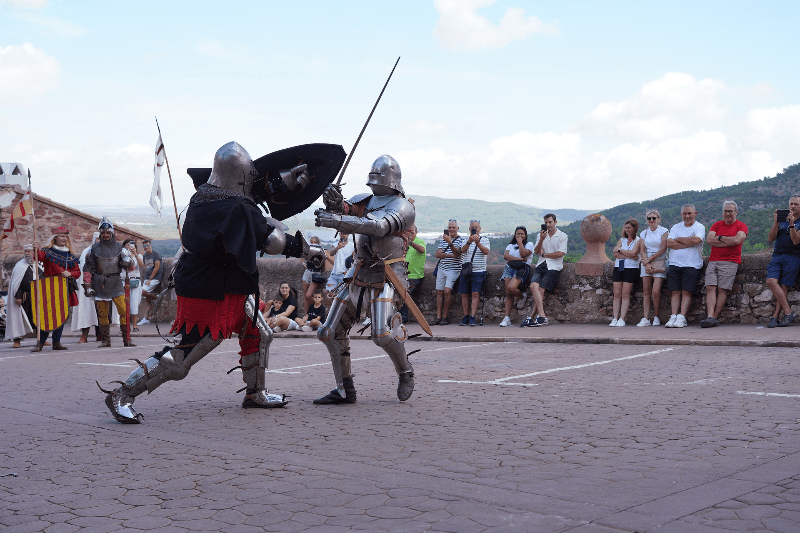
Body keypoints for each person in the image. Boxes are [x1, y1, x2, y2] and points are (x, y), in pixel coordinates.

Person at [99, 141, 325, 423]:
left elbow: (255, 198)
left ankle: (255, 393)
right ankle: (122, 394)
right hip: (209, 290)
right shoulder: (236, 207)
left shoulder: (204, 198)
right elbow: (271, 239)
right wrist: (309, 251)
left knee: (258, 333)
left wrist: (286, 180)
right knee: (184, 357)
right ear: (242, 176)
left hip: (230, 286)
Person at [313, 154, 417, 404]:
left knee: (382, 334)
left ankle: (405, 371)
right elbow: (346, 210)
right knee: (328, 331)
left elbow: (378, 227)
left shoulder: (403, 207)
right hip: (357, 271)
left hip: (387, 275)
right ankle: (344, 389)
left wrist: (337, 220)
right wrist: (334, 202)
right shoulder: (365, 200)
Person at [83, 218, 136, 348]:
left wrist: (128, 263)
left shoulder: (120, 248)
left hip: (115, 282)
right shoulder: (94, 249)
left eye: (108, 233)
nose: (106, 235)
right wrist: (87, 285)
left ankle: (127, 339)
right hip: (100, 282)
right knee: (102, 314)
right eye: (103, 233)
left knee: (123, 311)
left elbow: (130, 268)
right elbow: (88, 268)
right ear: (100, 233)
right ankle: (106, 340)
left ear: (111, 233)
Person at [30, 227, 81, 351]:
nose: (65, 238)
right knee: (46, 315)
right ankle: (41, 343)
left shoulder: (70, 254)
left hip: (65, 288)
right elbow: (38, 257)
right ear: (55, 237)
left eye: (66, 236)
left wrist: (70, 273)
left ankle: (56, 342)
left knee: (62, 314)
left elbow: (77, 272)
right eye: (62, 236)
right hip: (50, 289)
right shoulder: (47, 252)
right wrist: (36, 248)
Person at [701, 201, 748, 328]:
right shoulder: (716, 224)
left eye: (730, 211)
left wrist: (720, 237)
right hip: (713, 260)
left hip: (730, 261)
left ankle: (714, 318)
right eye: (725, 211)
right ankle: (710, 316)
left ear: (736, 212)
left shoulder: (741, 226)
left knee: (722, 289)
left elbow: (738, 240)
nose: (727, 214)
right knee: (710, 287)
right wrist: (729, 242)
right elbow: (709, 240)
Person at [522, 214, 568, 327]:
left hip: (554, 266)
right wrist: (541, 239)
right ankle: (541, 316)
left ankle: (532, 317)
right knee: (533, 286)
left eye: (550, 222)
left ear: (555, 222)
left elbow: (560, 253)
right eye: (546, 222)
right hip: (541, 264)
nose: (548, 225)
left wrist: (545, 254)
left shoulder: (562, 236)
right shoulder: (541, 235)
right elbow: (537, 251)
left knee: (541, 290)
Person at [665, 204, 705, 328]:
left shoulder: (699, 227)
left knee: (687, 291)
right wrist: (688, 242)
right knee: (675, 291)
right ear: (681, 214)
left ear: (695, 213)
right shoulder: (675, 227)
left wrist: (678, 239)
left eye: (689, 213)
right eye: (684, 213)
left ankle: (682, 317)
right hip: (674, 263)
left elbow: (696, 240)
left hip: (692, 264)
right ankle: (673, 316)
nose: (687, 216)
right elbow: (668, 243)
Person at [765, 195, 800, 328]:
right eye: (791, 204)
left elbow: (796, 241)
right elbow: (770, 238)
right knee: (771, 281)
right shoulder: (782, 219)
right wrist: (776, 223)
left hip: (793, 256)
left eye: (796, 204)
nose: (793, 206)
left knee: (784, 287)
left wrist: (791, 224)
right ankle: (788, 312)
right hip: (777, 255)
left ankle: (775, 316)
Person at [637, 210, 668, 327]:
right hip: (646, 261)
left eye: (654, 218)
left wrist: (649, 259)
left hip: (659, 260)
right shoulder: (644, 233)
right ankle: (645, 317)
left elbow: (663, 248)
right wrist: (646, 263)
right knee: (646, 291)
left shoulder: (663, 231)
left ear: (658, 219)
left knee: (655, 291)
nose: (651, 220)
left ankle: (656, 316)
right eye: (649, 218)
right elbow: (642, 250)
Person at [610, 218, 642, 327]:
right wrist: (629, 254)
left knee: (625, 294)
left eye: (629, 228)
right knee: (616, 293)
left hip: (631, 268)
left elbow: (634, 254)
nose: (627, 230)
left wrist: (621, 251)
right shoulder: (621, 240)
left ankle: (622, 319)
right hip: (619, 267)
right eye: (626, 228)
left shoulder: (638, 241)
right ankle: (615, 318)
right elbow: (615, 254)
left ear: (634, 228)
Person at [499, 226, 534, 327]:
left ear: (525, 235)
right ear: (515, 235)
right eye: (518, 234)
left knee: (511, 287)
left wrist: (520, 243)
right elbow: (506, 256)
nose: (519, 235)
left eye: (522, 234)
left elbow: (523, 254)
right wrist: (519, 259)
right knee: (508, 292)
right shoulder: (510, 245)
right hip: (509, 268)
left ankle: (522, 296)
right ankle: (506, 318)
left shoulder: (529, 244)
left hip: (521, 269)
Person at [6, 244, 40, 348]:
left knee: (38, 318)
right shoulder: (19, 266)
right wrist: (18, 296)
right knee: (19, 318)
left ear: (34, 252)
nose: (27, 253)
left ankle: (41, 339)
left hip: (37, 297)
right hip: (25, 297)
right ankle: (17, 340)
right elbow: (16, 283)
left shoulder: (39, 265)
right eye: (25, 251)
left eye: (29, 251)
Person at [458, 220, 490, 326]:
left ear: (480, 229)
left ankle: (472, 317)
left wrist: (477, 243)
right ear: (469, 229)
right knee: (464, 294)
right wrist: (469, 241)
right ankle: (466, 316)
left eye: (476, 227)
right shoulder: (464, 240)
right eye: (473, 227)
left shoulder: (485, 240)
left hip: (479, 270)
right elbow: (462, 251)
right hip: (466, 270)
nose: (474, 229)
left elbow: (486, 251)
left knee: (475, 294)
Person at [434, 219, 465, 325]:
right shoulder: (443, 240)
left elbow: (457, 254)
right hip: (442, 268)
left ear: (457, 228)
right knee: (439, 292)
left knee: (447, 291)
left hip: (454, 269)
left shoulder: (461, 240)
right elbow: (437, 254)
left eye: (453, 227)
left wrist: (450, 243)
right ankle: (438, 316)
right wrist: (449, 255)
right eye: (449, 227)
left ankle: (445, 316)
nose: (451, 229)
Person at [71, 232, 101, 343]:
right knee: (86, 309)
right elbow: (83, 269)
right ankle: (84, 334)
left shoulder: (107, 251)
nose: (100, 241)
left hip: (101, 284)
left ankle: (101, 334)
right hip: (88, 284)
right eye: (98, 239)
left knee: (101, 310)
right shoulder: (86, 252)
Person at [400, 224, 425, 324]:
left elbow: (422, 249)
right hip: (404, 274)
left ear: (416, 232)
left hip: (414, 275)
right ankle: (400, 317)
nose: (410, 234)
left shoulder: (419, 241)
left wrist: (410, 243)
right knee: (401, 295)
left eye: (412, 232)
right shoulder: (404, 243)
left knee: (405, 295)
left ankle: (403, 318)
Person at [122, 239, 145, 332]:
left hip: (135, 281)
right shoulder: (121, 256)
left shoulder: (138, 256)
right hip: (123, 281)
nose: (129, 247)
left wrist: (135, 254)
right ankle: (124, 326)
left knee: (134, 304)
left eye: (131, 245)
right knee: (123, 304)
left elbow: (141, 265)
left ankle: (134, 325)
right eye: (127, 245)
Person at [138, 240, 162, 325]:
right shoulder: (145, 255)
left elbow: (157, 267)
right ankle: (145, 319)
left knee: (141, 291)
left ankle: (156, 298)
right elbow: (145, 266)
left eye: (147, 245)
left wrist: (150, 278)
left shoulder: (156, 253)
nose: (146, 247)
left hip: (155, 278)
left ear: (151, 245)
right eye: (144, 246)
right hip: (147, 278)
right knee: (147, 299)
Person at [324, 232, 354, 297]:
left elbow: (355, 260)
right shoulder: (335, 244)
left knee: (341, 297)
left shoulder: (352, 246)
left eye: (345, 233)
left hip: (345, 275)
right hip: (334, 274)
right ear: (339, 234)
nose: (343, 235)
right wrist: (338, 247)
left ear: (348, 234)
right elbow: (331, 253)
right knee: (329, 294)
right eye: (341, 233)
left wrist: (349, 271)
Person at [301, 236, 326, 312]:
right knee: (305, 297)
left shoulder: (321, 251)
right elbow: (302, 257)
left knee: (308, 295)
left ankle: (313, 312)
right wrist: (304, 263)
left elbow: (324, 260)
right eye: (312, 242)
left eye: (315, 242)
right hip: (307, 272)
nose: (313, 243)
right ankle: (306, 315)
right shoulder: (308, 250)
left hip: (316, 274)